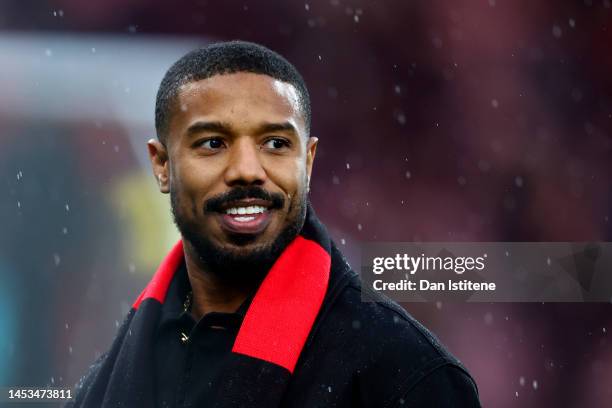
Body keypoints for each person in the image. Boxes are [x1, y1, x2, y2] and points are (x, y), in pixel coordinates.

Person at [69, 40, 481, 408]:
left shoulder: (404, 374)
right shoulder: (100, 387)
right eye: (213, 143)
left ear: (309, 161)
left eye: (275, 144)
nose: (248, 170)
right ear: (162, 166)